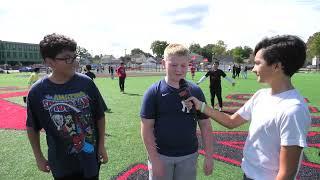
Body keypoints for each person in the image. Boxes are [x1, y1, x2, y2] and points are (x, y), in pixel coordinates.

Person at [186, 35, 311, 180]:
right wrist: (201, 106)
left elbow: (287, 173)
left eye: (258, 63)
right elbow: (231, 121)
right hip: (248, 174)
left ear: (277, 66)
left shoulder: (293, 110)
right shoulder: (261, 96)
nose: (253, 69)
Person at [26, 33, 108, 180]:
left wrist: (101, 145)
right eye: (67, 58)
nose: (75, 62)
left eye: (74, 57)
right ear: (49, 62)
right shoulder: (37, 91)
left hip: (90, 158)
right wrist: (38, 157)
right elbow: (32, 126)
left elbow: (99, 116)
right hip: (61, 164)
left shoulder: (86, 83)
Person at [140, 44, 213, 180]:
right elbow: (146, 129)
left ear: (188, 65)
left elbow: (205, 125)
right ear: (163, 63)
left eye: (183, 65)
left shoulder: (195, 91)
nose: (179, 70)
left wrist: (209, 156)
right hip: (161, 156)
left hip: (188, 156)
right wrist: (154, 160)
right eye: (173, 65)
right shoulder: (153, 92)